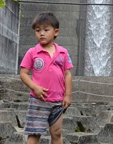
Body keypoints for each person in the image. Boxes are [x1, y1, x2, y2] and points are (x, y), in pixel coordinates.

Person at [20, 13, 73, 144]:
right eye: (38, 31)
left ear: (56, 32)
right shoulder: (32, 52)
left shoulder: (63, 52)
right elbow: (23, 73)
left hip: (58, 101)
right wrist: (35, 87)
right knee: (34, 133)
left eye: (45, 30)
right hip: (39, 100)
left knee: (57, 132)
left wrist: (68, 95)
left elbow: (68, 74)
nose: (41, 34)